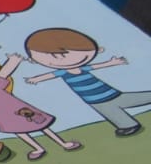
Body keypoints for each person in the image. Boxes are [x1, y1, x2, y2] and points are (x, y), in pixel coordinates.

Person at [21, 27, 150, 137]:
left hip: (110, 93)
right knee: (111, 112)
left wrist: (112, 62)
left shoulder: (83, 68)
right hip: (94, 100)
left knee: (129, 99)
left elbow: (98, 66)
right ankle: (128, 125)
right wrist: (35, 79)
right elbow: (49, 75)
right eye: (54, 56)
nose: (60, 58)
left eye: (63, 54)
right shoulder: (63, 72)